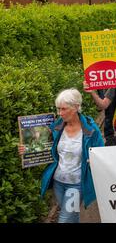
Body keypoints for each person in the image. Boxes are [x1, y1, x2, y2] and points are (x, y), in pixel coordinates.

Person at [17, 89, 104, 223]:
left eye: (63, 109)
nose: (60, 113)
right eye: (58, 109)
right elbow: (43, 147)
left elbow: (100, 154)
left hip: (76, 184)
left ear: (75, 107)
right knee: (72, 216)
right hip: (58, 182)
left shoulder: (90, 129)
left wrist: (93, 160)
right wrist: (27, 149)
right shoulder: (56, 126)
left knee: (64, 219)